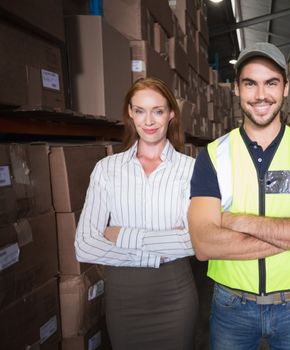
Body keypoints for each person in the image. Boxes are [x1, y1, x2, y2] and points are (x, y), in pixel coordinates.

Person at [188, 42, 290, 350]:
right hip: (231, 305)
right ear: (236, 89)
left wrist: (237, 221)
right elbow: (204, 244)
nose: (261, 95)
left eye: (271, 83)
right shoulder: (212, 156)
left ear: (286, 88)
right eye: (250, 83)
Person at [75, 77, 198, 350]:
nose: (149, 121)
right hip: (123, 297)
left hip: (175, 294)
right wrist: (162, 245)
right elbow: (84, 246)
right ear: (130, 113)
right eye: (140, 111)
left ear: (171, 114)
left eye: (158, 110)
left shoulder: (190, 170)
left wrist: (122, 235)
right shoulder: (107, 169)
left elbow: (194, 241)